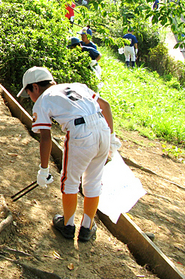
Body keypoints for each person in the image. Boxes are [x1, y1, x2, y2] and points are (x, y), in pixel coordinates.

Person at [17, 66, 121, 242]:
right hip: (102, 128)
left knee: (70, 181)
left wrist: (43, 170)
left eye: (29, 93)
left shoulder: (43, 100)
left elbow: (45, 138)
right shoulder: (77, 86)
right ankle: (87, 228)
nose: (31, 98)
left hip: (81, 134)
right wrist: (111, 136)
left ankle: (68, 224)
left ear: (35, 87)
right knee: (93, 181)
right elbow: (105, 105)